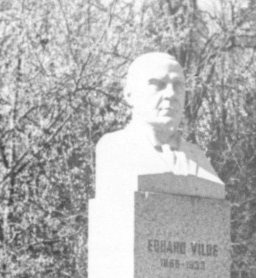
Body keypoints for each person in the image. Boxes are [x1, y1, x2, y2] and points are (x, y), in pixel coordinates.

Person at [95, 52, 222, 199]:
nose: (171, 94)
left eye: (178, 85)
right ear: (130, 95)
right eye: (158, 84)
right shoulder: (114, 149)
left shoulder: (198, 159)